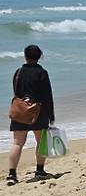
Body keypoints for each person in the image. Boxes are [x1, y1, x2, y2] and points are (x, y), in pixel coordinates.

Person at [7, 45, 55, 185]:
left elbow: (17, 91)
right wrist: (51, 115)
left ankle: (12, 174)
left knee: (17, 143)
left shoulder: (18, 72)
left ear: (25, 56)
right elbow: (47, 96)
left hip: (20, 110)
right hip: (38, 111)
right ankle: (39, 171)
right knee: (41, 142)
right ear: (39, 56)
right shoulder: (42, 73)